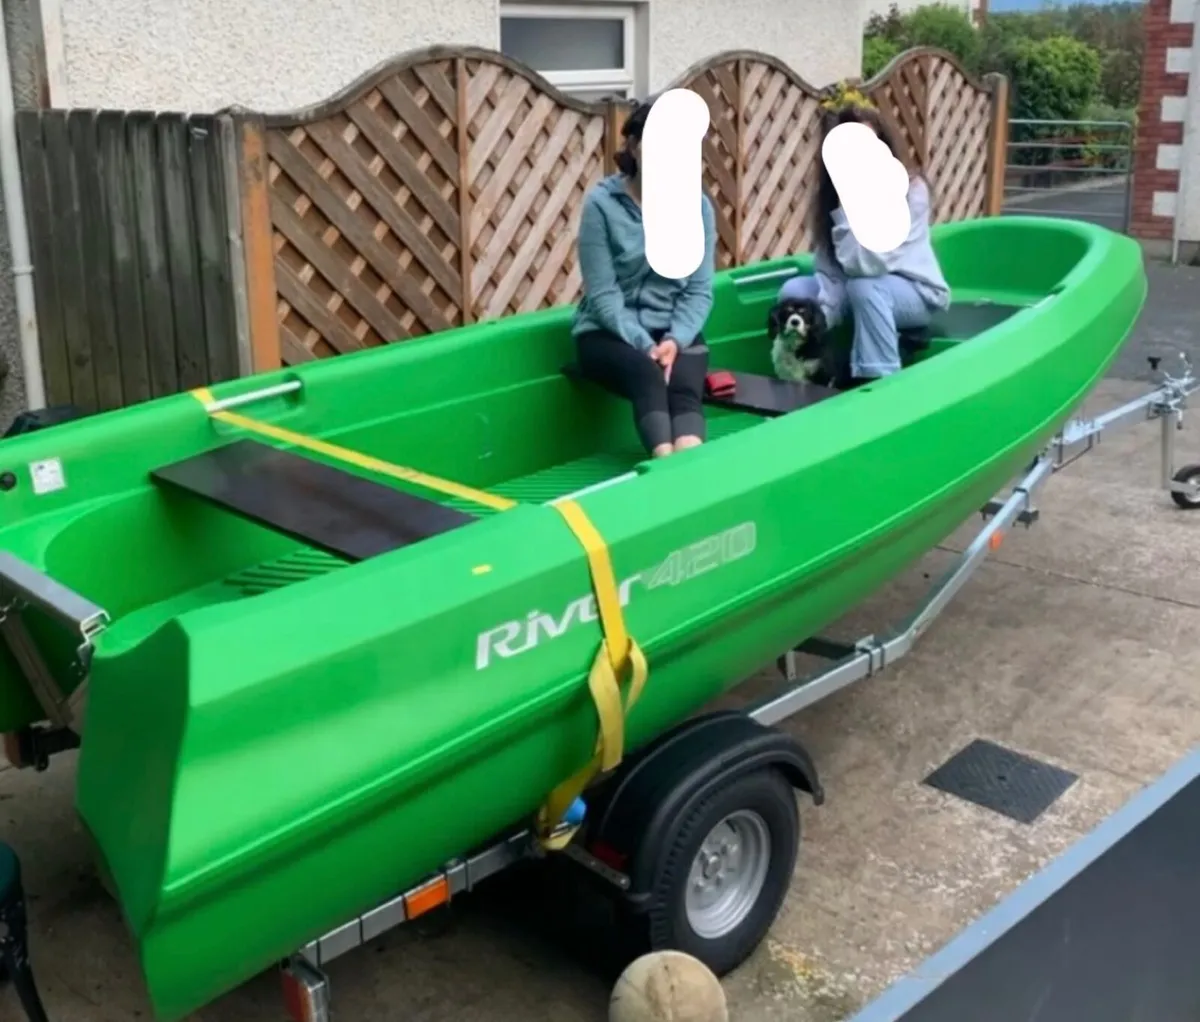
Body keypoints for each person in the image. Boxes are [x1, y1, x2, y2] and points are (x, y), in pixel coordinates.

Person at [571, 98, 718, 458]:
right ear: (635, 147)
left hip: (673, 331)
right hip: (609, 334)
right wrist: (644, 344)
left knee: (684, 388)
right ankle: (664, 474)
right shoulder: (601, 205)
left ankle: (690, 476)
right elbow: (603, 295)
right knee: (648, 376)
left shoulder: (697, 207)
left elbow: (699, 291)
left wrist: (675, 339)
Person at [778, 85, 951, 387]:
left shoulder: (911, 192)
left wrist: (847, 210)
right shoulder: (831, 194)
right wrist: (820, 319)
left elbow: (872, 265)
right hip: (857, 285)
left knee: (865, 288)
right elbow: (829, 271)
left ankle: (879, 380)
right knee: (794, 291)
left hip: (914, 292)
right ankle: (803, 373)